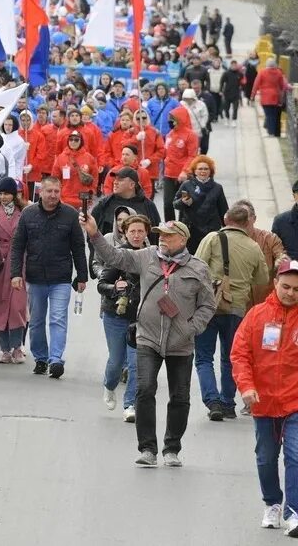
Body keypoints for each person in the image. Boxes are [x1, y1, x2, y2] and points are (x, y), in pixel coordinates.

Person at [86, 217, 216, 468]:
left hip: (181, 343)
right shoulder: (146, 256)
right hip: (147, 337)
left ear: (183, 239)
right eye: (160, 235)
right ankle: (147, 449)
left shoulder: (198, 269)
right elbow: (114, 257)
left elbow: (208, 305)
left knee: (180, 397)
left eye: (168, 236)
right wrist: (94, 234)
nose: (162, 240)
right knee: (144, 390)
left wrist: (193, 328)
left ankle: (172, 449)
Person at [230, 256, 298, 533]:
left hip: (294, 402)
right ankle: (272, 502)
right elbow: (240, 354)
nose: (291, 293)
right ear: (275, 284)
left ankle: (293, 512)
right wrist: (246, 386)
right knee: (266, 458)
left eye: (296, 289)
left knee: (296, 455)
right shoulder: (257, 315)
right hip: (263, 402)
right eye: (286, 287)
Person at [194, 204, 270, 421]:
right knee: (231, 357)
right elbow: (262, 280)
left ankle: (213, 401)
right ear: (247, 223)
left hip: (208, 306)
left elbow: (196, 267)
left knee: (203, 357)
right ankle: (228, 403)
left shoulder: (212, 239)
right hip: (237, 309)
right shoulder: (253, 247)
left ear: (226, 220)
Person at [9, 175, 88, 379]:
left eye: (56, 191)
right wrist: (16, 273)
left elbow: (78, 247)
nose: (53, 195)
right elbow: (18, 246)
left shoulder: (70, 215)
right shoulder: (28, 214)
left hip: (60, 277)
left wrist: (82, 275)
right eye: (49, 191)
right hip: (35, 277)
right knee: (36, 321)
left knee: (58, 319)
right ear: (40, 192)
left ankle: (55, 360)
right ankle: (41, 358)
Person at [94, 214, 149, 423]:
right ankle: (109, 385)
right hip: (115, 314)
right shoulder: (119, 256)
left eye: (140, 231)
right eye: (132, 231)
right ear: (125, 232)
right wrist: (114, 288)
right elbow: (102, 284)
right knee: (117, 361)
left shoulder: (152, 256)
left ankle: (130, 405)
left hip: (141, 318)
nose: (136, 235)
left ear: (146, 233)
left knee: (135, 364)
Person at [0, 177, 28, 364]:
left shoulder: (25, 212)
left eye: (7, 193)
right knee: (0, 306)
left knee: (17, 307)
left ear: (15, 194)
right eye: (0, 193)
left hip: (19, 264)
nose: (3, 197)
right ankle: (4, 349)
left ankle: (17, 347)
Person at [174, 156, 229, 253]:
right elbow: (175, 204)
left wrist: (228, 229)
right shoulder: (187, 185)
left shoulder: (217, 188)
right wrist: (183, 202)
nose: (203, 171)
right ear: (194, 171)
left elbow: (224, 210)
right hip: (191, 230)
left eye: (206, 169)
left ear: (210, 171)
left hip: (210, 231)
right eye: (200, 169)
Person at [255, 58, 288, 138]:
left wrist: (252, 95)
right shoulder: (279, 73)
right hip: (275, 97)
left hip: (265, 97)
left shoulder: (262, 72)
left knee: (268, 115)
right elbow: (282, 86)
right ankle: (271, 132)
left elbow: (256, 84)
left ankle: (270, 133)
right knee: (272, 115)